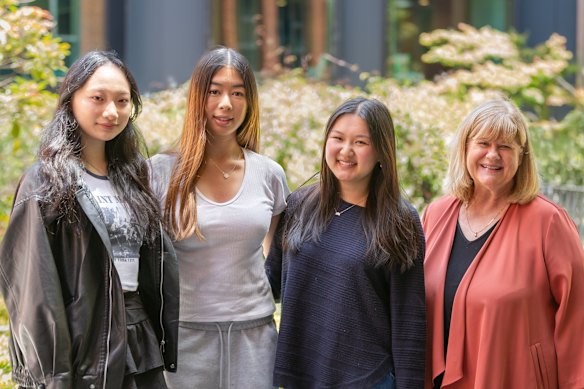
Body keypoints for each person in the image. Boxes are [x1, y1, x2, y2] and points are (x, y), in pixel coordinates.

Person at [0, 51, 179, 388]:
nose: (111, 111)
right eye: (98, 98)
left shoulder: (133, 178)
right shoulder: (44, 182)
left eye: (122, 101)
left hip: (139, 344)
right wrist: (54, 375)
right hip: (81, 348)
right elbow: (34, 292)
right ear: (72, 100)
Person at [149, 46, 289, 389]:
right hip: (184, 339)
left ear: (250, 101)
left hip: (255, 337)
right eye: (214, 91)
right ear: (198, 97)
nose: (226, 103)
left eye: (237, 92)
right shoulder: (159, 172)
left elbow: (281, 260)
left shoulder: (269, 173)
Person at [265, 97, 426, 389]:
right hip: (301, 375)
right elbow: (269, 283)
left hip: (366, 380)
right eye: (337, 138)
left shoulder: (400, 220)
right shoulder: (300, 204)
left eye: (360, 142)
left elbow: (409, 321)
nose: (346, 151)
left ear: (381, 151)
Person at [423, 99, 584, 389]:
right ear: (465, 149)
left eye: (505, 146)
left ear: (521, 156)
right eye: (483, 143)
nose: (492, 155)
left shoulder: (548, 222)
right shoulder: (436, 215)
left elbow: (578, 319)